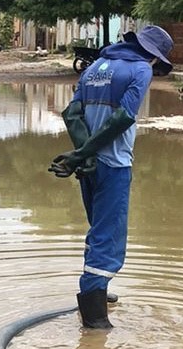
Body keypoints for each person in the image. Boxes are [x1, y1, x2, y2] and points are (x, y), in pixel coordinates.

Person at [48, 24, 174, 330]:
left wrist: (82, 155)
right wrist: (82, 155)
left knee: (98, 231)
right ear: (154, 56)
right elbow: (123, 118)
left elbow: (72, 113)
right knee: (109, 240)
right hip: (114, 166)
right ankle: (95, 324)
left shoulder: (94, 68)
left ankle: (98, 293)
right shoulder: (140, 69)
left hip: (89, 167)